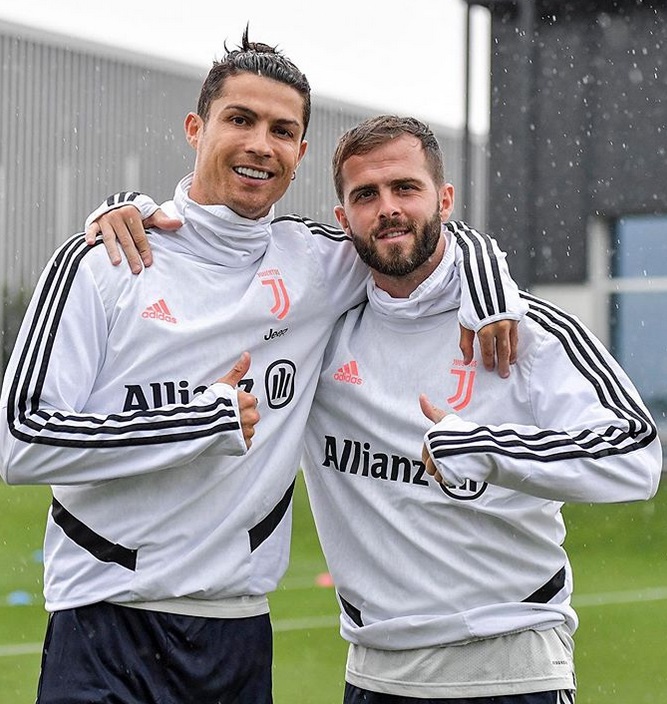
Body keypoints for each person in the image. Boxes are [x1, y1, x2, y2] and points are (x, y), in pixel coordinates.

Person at [0, 34, 525, 704]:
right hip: (106, 622)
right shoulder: (101, 260)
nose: (260, 144)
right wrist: (195, 421)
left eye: (282, 130)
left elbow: (413, 233)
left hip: (238, 632)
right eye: (239, 120)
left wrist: (486, 282)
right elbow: (21, 440)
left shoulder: (317, 261)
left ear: (300, 154)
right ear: (196, 128)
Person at [297, 115, 662, 703]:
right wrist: (119, 210)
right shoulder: (318, 336)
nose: (388, 208)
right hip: (373, 677)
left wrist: (487, 448)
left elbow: (636, 455)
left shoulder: (527, 329)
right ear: (343, 220)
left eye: (406, 188)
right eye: (366, 194)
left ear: (444, 199)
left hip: (513, 670)